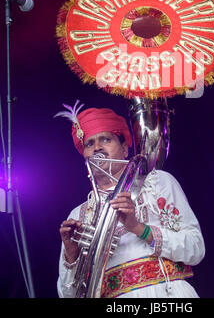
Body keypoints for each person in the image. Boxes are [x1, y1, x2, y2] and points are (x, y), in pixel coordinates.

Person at [56, 103, 205, 298]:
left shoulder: (157, 182)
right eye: (89, 144)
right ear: (84, 155)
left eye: (106, 139)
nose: (97, 147)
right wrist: (72, 256)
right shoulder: (78, 215)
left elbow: (195, 248)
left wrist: (138, 228)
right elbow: (67, 295)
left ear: (125, 149)